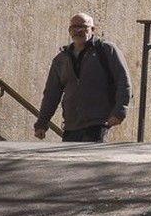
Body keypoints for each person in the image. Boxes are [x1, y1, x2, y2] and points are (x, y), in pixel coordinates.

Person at [34, 13, 132, 143]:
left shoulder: (106, 50)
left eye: (83, 27)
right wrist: (41, 123)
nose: (78, 30)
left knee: (90, 160)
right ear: (69, 31)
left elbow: (123, 82)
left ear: (92, 30)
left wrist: (119, 112)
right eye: (74, 27)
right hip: (71, 124)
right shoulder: (62, 59)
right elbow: (52, 93)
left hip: (98, 121)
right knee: (70, 161)